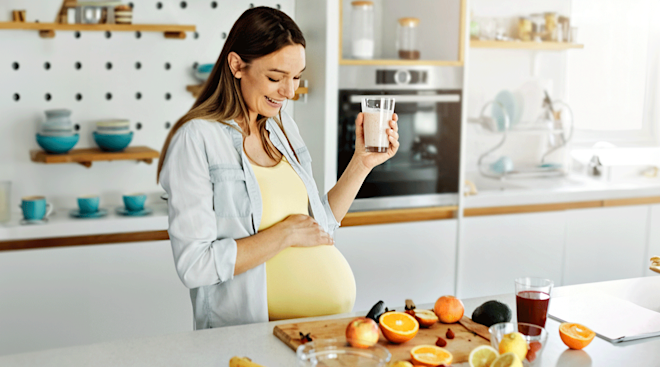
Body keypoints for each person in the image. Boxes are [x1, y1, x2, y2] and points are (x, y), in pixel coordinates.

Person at [157, 6, 399, 329]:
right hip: (248, 338)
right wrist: (282, 234)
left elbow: (319, 229)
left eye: (297, 77)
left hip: (313, 332)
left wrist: (361, 162)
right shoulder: (197, 138)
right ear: (236, 65)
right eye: (276, 77)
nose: (289, 92)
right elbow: (194, 265)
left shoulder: (282, 127)